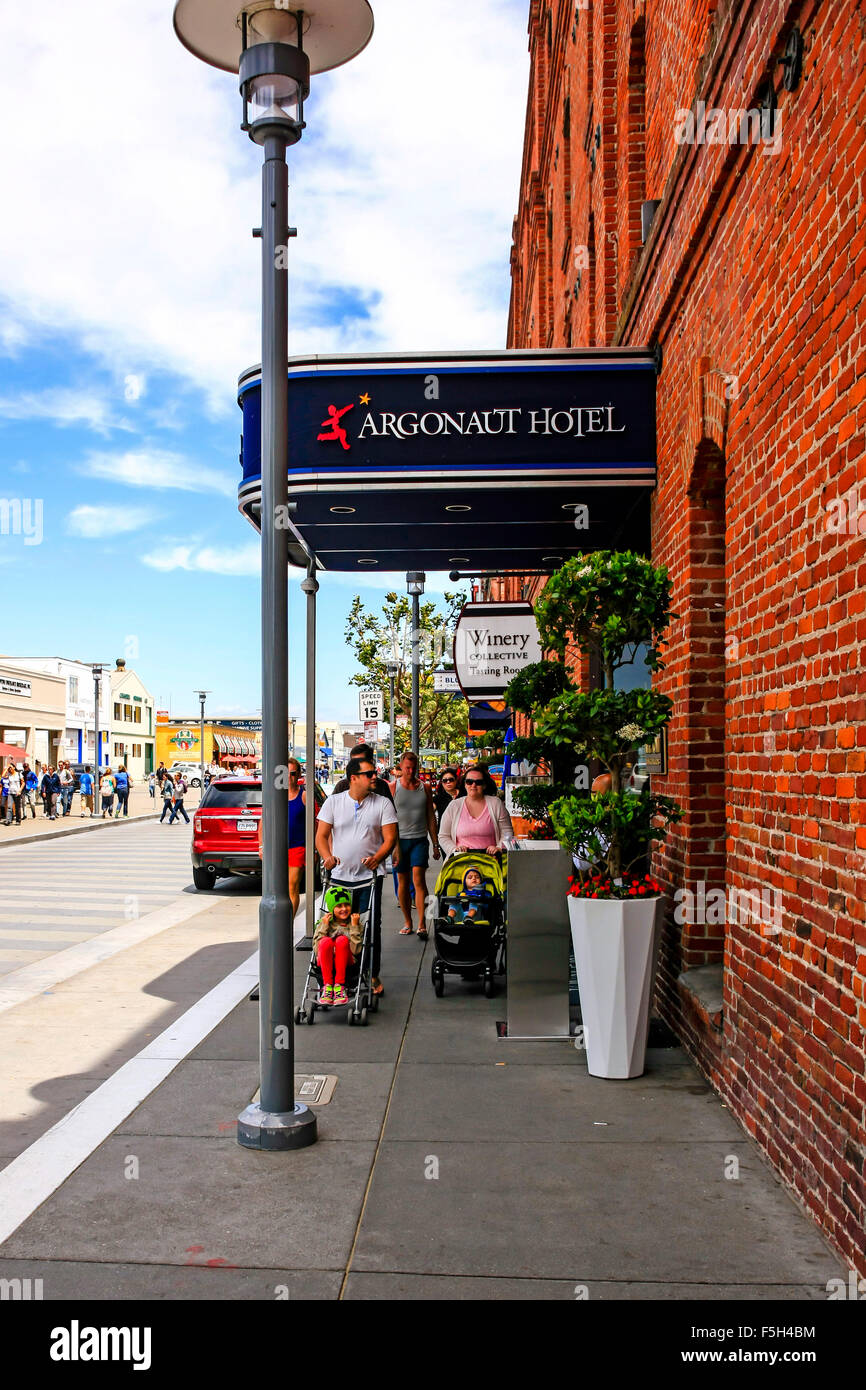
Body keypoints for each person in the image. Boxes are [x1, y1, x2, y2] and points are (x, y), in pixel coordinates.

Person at [315, 755, 398, 999]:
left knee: (369, 927)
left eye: (374, 773)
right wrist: (327, 857)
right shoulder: (334, 802)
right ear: (354, 778)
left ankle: (371, 973)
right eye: (369, 774)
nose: (375, 777)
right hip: (339, 878)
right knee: (334, 927)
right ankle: (336, 976)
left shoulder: (382, 803)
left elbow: (390, 838)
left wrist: (378, 858)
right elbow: (321, 836)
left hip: (369, 877)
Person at [390, 750, 440, 938]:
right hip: (399, 841)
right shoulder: (393, 788)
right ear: (401, 767)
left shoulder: (424, 788)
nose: (411, 771)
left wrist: (435, 843)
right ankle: (407, 922)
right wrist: (393, 846)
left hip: (419, 839)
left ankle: (422, 923)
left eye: (414, 768)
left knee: (419, 879)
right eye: (407, 768)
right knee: (403, 881)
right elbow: (388, 819)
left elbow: (430, 816)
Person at [439, 765, 514, 857]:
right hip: (461, 860)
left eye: (478, 782)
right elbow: (443, 836)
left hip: (491, 861)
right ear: (465, 784)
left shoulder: (496, 804)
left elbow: (507, 832)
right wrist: (454, 850)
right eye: (469, 782)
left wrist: (499, 848)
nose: (473, 785)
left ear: (484, 785)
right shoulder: (454, 806)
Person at [312, 885, 362, 1007]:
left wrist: (354, 927)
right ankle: (328, 987)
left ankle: (339, 986)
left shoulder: (354, 923)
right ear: (331, 908)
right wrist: (324, 926)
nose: (344, 909)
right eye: (339, 906)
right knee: (325, 941)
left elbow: (356, 951)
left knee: (342, 940)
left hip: (347, 961)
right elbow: (317, 950)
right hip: (325, 960)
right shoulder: (325, 922)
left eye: (347, 905)